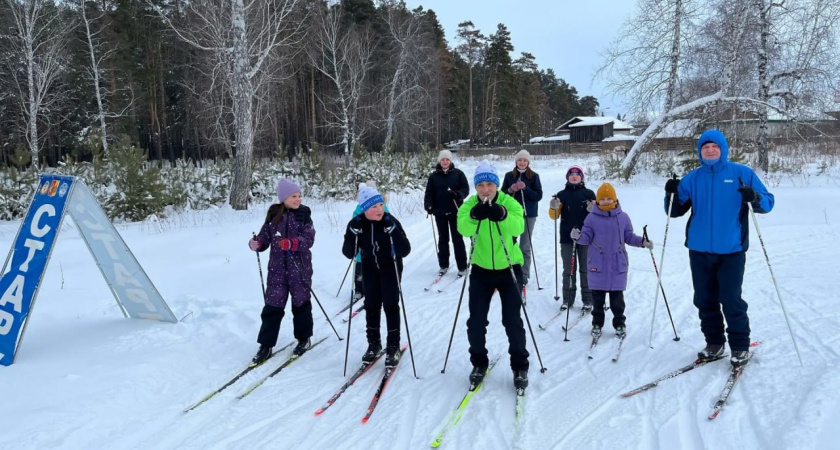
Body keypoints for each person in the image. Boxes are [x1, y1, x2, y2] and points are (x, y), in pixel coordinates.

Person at [664, 129, 774, 367]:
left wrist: (754, 196)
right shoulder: (693, 178)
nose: (710, 150)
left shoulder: (741, 173)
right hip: (699, 250)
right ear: (700, 151)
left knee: (731, 299)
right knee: (704, 299)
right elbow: (674, 211)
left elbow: (767, 204)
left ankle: (740, 347)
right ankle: (714, 343)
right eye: (705, 147)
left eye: (715, 147)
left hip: (731, 250)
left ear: (723, 149)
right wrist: (670, 193)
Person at [457, 160, 530, 390]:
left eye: (490, 184)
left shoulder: (510, 202)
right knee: (476, 322)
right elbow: (462, 228)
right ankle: (479, 363)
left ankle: (520, 366)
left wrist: (502, 214)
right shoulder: (469, 205)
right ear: (476, 187)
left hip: (509, 269)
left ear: (497, 185)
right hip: (481, 270)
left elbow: (518, 227)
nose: (486, 189)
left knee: (512, 320)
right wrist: (474, 217)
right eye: (481, 185)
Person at [342, 183, 411, 367]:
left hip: (391, 267)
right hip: (369, 268)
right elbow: (348, 253)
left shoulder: (391, 221)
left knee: (390, 305)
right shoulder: (357, 224)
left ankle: (393, 346)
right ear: (364, 209)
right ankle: (374, 344)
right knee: (371, 306)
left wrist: (394, 231)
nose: (379, 209)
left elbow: (405, 250)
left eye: (380, 204)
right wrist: (351, 234)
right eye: (374, 206)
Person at [248, 178, 316, 365]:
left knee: (300, 305)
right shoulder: (274, 215)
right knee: (272, 307)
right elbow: (264, 236)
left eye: (299, 195)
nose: (298, 199)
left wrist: (292, 243)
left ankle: (304, 339)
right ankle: (266, 345)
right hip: (277, 271)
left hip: (299, 269)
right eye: (294, 196)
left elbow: (309, 239)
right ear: (283, 198)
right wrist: (257, 243)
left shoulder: (303, 215)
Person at [571, 182, 652, 338]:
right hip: (597, 264)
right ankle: (597, 323)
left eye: (610, 198)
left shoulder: (623, 217)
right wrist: (578, 236)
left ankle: (620, 324)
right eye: (603, 198)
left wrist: (642, 242)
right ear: (597, 201)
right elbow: (586, 238)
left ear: (615, 200)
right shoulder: (591, 218)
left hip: (617, 264)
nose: (606, 201)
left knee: (617, 301)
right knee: (598, 300)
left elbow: (629, 236)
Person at [548, 165, 596, 311]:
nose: (574, 176)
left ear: (582, 177)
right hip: (567, 237)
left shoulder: (589, 193)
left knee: (586, 269)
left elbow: (598, 216)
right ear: (567, 177)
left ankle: (588, 299)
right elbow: (554, 216)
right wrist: (553, 207)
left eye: (577, 174)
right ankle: (567, 299)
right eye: (571, 174)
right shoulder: (561, 194)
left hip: (587, 237)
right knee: (568, 269)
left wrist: (593, 209)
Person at [424, 150, 470, 276]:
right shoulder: (433, 177)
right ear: (439, 161)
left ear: (450, 161)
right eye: (443, 159)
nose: (445, 162)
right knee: (443, 239)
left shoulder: (458, 174)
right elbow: (429, 193)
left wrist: (458, 194)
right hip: (440, 211)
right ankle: (443, 265)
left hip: (455, 211)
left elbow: (465, 189)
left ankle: (462, 267)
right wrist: (428, 205)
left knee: (457, 239)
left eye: (447, 159)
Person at [501, 150, 543, 286]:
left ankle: (523, 276)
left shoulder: (534, 176)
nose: (522, 162)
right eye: (520, 160)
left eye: (525, 160)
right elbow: (501, 195)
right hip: (511, 215)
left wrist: (526, 189)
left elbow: (538, 196)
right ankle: (510, 272)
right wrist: (510, 190)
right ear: (516, 161)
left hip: (528, 214)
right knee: (510, 243)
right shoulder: (509, 176)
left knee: (524, 246)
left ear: (528, 162)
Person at [351, 181, 390, 303]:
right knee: (360, 265)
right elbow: (354, 221)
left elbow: (387, 218)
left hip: (378, 243)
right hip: (363, 243)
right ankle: (358, 289)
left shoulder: (382, 206)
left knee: (377, 265)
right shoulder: (359, 208)